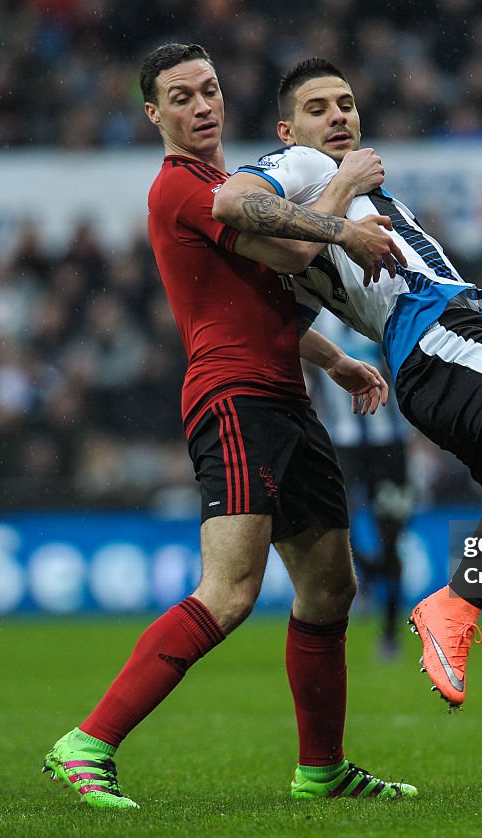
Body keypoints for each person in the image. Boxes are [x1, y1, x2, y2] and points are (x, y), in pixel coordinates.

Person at [214, 58, 482, 796]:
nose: (339, 118)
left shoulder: (321, 214)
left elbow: (283, 293)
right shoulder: (301, 167)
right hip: (437, 335)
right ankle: (458, 598)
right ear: (286, 129)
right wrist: (339, 195)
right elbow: (231, 202)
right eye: (318, 107)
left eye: (347, 104)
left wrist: (332, 357)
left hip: (447, 344)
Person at [42, 43, 417, 809]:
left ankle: (322, 769)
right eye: (181, 97)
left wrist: (331, 361)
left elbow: (257, 291)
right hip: (234, 398)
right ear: (155, 115)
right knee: (230, 591)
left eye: (209, 90)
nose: (202, 106)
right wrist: (344, 189)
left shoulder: (224, 184)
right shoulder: (183, 189)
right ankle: (87, 743)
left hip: (284, 394)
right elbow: (303, 246)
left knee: (329, 585)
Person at [311, 309, 414, 659]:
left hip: (390, 446)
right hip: (343, 444)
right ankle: (366, 576)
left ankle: (389, 632)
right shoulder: (317, 319)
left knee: (392, 538)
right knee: (340, 524)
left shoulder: (377, 311)